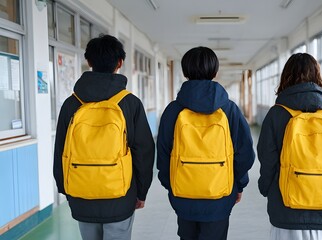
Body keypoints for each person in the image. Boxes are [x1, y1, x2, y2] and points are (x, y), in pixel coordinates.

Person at [53, 34, 155, 240]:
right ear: (120, 63)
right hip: (121, 194)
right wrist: (141, 191)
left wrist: (65, 187)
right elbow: (143, 151)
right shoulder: (130, 103)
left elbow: (61, 149)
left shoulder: (72, 103)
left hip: (81, 191)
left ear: (89, 62)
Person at [157, 46, 255, 240]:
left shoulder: (173, 111)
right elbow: (245, 153)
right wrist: (238, 184)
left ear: (185, 72)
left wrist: (172, 185)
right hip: (220, 197)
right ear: (215, 72)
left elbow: (162, 154)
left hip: (183, 195)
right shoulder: (229, 110)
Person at [257, 53, 322, 240]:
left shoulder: (277, 114)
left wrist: (266, 188)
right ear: (317, 76)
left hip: (286, 209)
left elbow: (267, 158)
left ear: (286, 77)